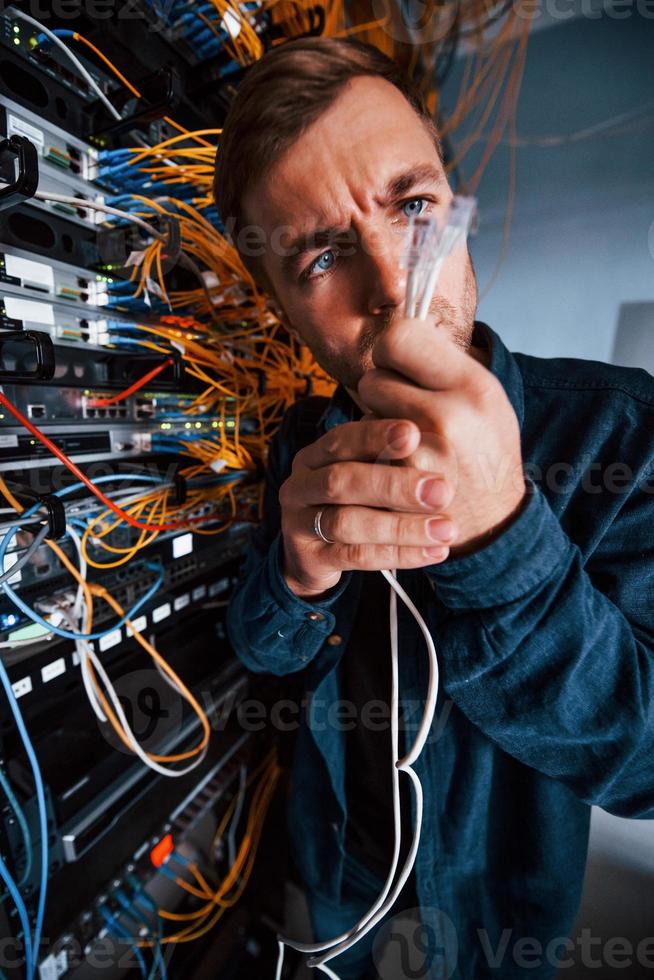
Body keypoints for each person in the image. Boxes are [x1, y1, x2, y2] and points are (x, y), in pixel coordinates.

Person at [215, 37, 654, 980]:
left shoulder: (619, 438)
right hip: (331, 884)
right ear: (283, 310)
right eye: (324, 256)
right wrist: (294, 580)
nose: (390, 288)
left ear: (453, 211)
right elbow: (261, 650)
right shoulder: (301, 448)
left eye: (414, 208)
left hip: (493, 922)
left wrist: (503, 532)